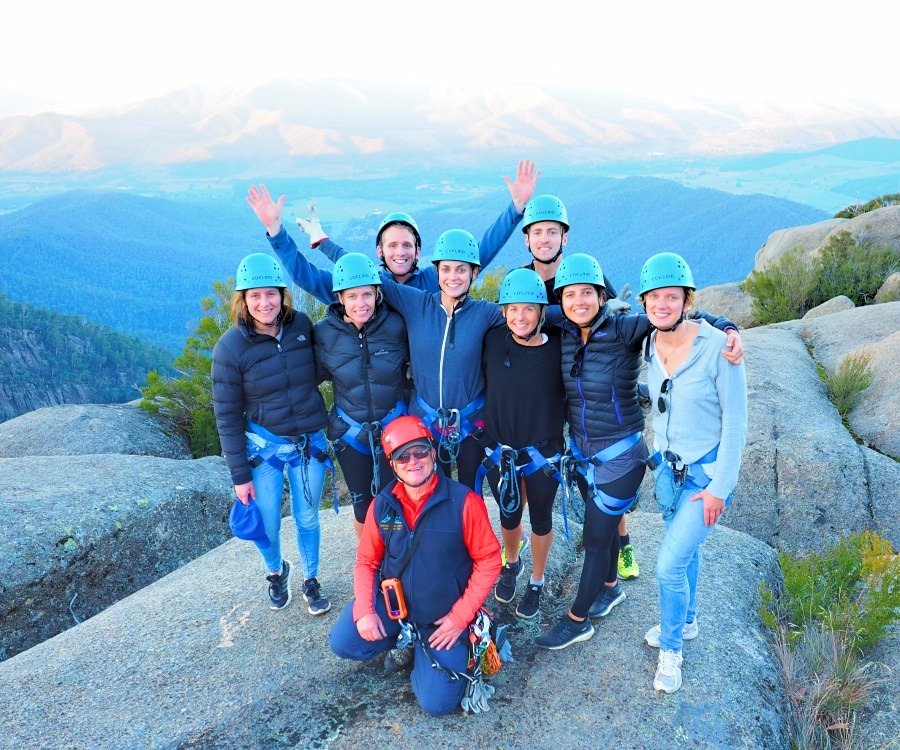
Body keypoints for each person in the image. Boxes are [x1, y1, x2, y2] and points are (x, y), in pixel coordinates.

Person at [535, 253, 743, 650]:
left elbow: (678, 315)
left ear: (602, 296)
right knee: (603, 525)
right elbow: (520, 313)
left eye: (588, 293)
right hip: (582, 454)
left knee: (596, 537)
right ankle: (610, 587)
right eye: (570, 294)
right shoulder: (560, 325)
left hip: (621, 457)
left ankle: (578, 619)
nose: (579, 301)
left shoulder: (625, 329)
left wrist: (729, 327)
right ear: (560, 300)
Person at [328, 416, 502, 716]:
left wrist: (459, 618)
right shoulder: (382, 505)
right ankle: (407, 641)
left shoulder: (464, 502)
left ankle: (425, 648)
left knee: (437, 703)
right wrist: (365, 612)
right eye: (402, 456)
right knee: (344, 641)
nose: (413, 461)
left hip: (444, 617)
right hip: (396, 606)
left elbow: (488, 561)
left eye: (420, 451)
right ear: (392, 464)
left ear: (433, 453)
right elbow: (366, 561)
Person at [638, 252, 748, 694]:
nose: (663, 305)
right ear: (645, 301)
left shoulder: (718, 347)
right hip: (668, 474)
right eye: (655, 297)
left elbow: (737, 424)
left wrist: (721, 489)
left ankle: (671, 651)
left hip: (705, 477)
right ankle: (686, 621)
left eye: (672, 296)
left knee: (667, 565)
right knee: (684, 555)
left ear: (687, 300)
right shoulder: (647, 344)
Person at [519, 193, 639, 581]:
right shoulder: (521, 279)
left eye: (552, 232)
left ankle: (621, 544)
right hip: (547, 387)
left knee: (601, 471)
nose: (545, 239)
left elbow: (608, 315)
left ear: (564, 237)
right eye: (538, 232)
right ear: (527, 239)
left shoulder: (582, 273)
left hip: (584, 385)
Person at [212, 253, 332, 615]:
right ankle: (276, 571)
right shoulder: (230, 348)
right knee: (266, 521)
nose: (265, 303)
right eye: (255, 296)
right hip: (263, 449)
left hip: (308, 443)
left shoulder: (301, 328)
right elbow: (227, 415)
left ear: (283, 294)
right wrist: (239, 476)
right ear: (243, 300)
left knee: (308, 516)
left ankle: (311, 579)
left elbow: (324, 368)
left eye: (271, 294)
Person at [246, 160, 539, 303]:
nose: (400, 252)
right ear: (380, 251)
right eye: (393, 245)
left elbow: (480, 251)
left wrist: (515, 210)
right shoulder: (363, 288)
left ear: (417, 250)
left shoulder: (433, 280)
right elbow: (305, 276)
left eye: (407, 245)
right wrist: (276, 230)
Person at [378, 228, 505, 489]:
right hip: (426, 422)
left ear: (474, 273)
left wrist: (598, 308)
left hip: (471, 424)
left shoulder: (484, 313)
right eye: (446, 269)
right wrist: (324, 243)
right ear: (436, 272)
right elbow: (361, 272)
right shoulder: (417, 303)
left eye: (461, 269)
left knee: (471, 492)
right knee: (432, 494)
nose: (452, 277)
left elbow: (529, 314)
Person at [480, 268, 565, 619]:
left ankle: (537, 579)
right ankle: (512, 562)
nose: (520, 316)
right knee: (509, 514)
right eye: (513, 309)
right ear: (503, 312)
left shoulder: (558, 349)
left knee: (541, 519)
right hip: (502, 451)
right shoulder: (492, 341)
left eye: (528, 309)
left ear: (542, 312)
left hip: (542, 453)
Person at [313, 252, 410, 538]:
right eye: (352, 296)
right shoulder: (324, 333)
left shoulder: (395, 326)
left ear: (378, 294)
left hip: (393, 427)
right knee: (362, 503)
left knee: (392, 500)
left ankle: (393, 551)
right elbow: (309, 376)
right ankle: (370, 555)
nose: (360, 304)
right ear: (340, 298)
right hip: (350, 432)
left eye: (366, 295)